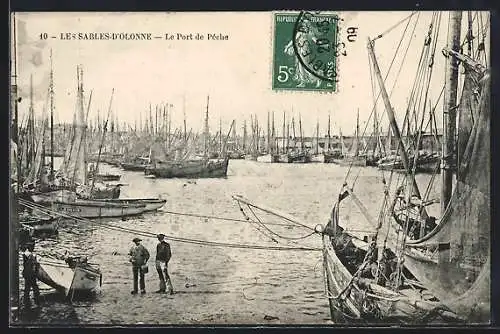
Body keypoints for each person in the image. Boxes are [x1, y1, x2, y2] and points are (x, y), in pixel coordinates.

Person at [22, 242, 40, 309]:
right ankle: (37, 300)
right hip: (31, 274)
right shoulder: (32, 256)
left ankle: (26, 301)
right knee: (34, 287)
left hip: (27, 273)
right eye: (32, 247)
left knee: (27, 287)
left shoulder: (25, 255)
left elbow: (26, 265)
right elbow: (35, 265)